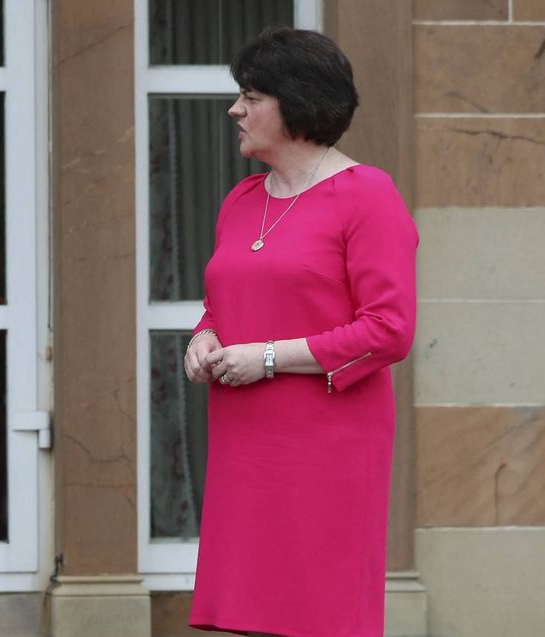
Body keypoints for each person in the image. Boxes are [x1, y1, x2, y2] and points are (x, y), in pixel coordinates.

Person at [183, 27, 417, 637]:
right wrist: (202, 338)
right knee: (252, 617)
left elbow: (389, 329)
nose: (236, 110)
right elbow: (222, 301)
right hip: (246, 443)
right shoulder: (241, 198)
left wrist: (268, 357)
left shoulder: (368, 195)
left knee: (319, 615)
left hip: (328, 449)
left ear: (298, 103)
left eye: (251, 96)